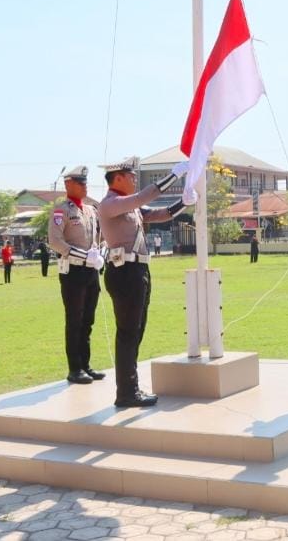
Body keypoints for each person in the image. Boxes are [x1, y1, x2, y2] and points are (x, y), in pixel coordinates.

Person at [99, 156, 191, 407]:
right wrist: (174, 175)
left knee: (136, 332)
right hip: (123, 271)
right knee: (128, 333)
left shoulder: (129, 206)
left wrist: (183, 202)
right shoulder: (110, 204)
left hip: (138, 270)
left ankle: (131, 387)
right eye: (130, 176)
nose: (134, 179)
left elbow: (159, 214)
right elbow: (143, 198)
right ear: (117, 178)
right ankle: (127, 392)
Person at [49, 165, 107, 386]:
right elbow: (55, 241)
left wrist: (101, 251)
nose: (85, 186)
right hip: (73, 270)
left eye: (85, 182)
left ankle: (86, 365)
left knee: (88, 320)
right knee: (74, 320)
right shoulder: (61, 210)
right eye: (80, 183)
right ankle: (74, 368)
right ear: (68, 185)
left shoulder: (91, 210)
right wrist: (84, 256)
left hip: (91, 270)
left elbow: (100, 237)